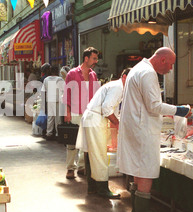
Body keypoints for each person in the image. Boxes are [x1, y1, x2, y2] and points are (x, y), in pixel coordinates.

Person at [117, 47, 191, 212]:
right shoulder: (148, 73)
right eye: (171, 64)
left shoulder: (137, 69)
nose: (171, 69)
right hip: (142, 130)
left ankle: (138, 211)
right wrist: (180, 110)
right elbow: (154, 106)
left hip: (136, 127)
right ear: (163, 59)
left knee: (138, 169)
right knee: (146, 171)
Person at [76, 68, 131, 198]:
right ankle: (102, 189)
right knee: (100, 154)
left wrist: (116, 130)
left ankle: (92, 187)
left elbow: (113, 111)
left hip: (92, 118)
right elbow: (107, 108)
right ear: (124, 77)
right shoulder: (118, 87)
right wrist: (118, 124)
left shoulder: (117, 87)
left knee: (91, 153)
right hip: (95, 119)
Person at [63, 47, 100, 180]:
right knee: (72, 142)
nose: (96, 61)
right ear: (86, 58)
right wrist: (67, 112)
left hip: (89, 113)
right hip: (75, 112)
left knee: (86, 142)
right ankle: (70, 168)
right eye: (94, 58)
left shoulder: (93, 75)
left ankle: (82, 166)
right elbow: (67, 95)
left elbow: (96, 95)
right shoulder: (72, 74)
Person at [41, 65, 62, 140]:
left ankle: (49, 133)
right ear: (57, 71)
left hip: (49, 100)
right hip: (57, 100)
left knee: (50, 118)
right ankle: (58, 134)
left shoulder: (46, 79)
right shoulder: (59, 79)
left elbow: (43, 91)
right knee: (58, 119)